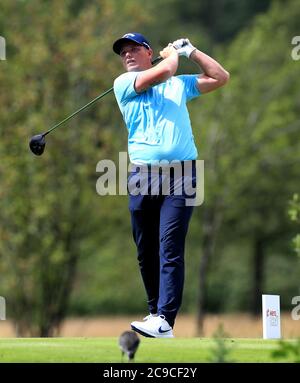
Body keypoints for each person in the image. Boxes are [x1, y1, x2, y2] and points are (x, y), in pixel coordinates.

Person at [112, 33, 229, 338]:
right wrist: (171, 56)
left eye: (134, 49)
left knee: (171, 246)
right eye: (123, 52)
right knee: (145, 249)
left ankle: (165, 319)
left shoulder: (178, 85)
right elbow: (165, 70)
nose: (127, 55)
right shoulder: (123, 84)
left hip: (182, 175)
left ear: (148, 52)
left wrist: (191, 51)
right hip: (142, 176)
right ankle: (154, 312)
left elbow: (220, 77)